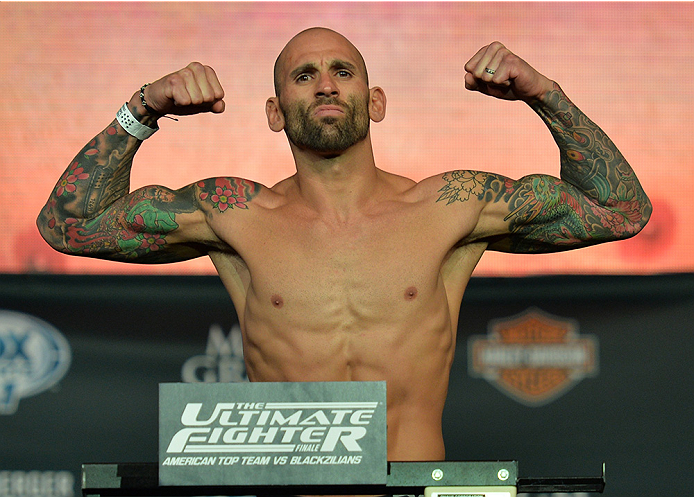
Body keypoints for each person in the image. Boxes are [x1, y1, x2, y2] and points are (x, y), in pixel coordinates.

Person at [36, 27, 651, 462]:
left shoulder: (451, 206)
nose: (325, 85)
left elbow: (620, 210)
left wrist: (543, 94)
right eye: (304, 76)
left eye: (342, 72)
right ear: (276, 113)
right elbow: (69, 225)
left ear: (373, 101)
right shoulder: (234, 213)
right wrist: (142, 109)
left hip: (413, 489)